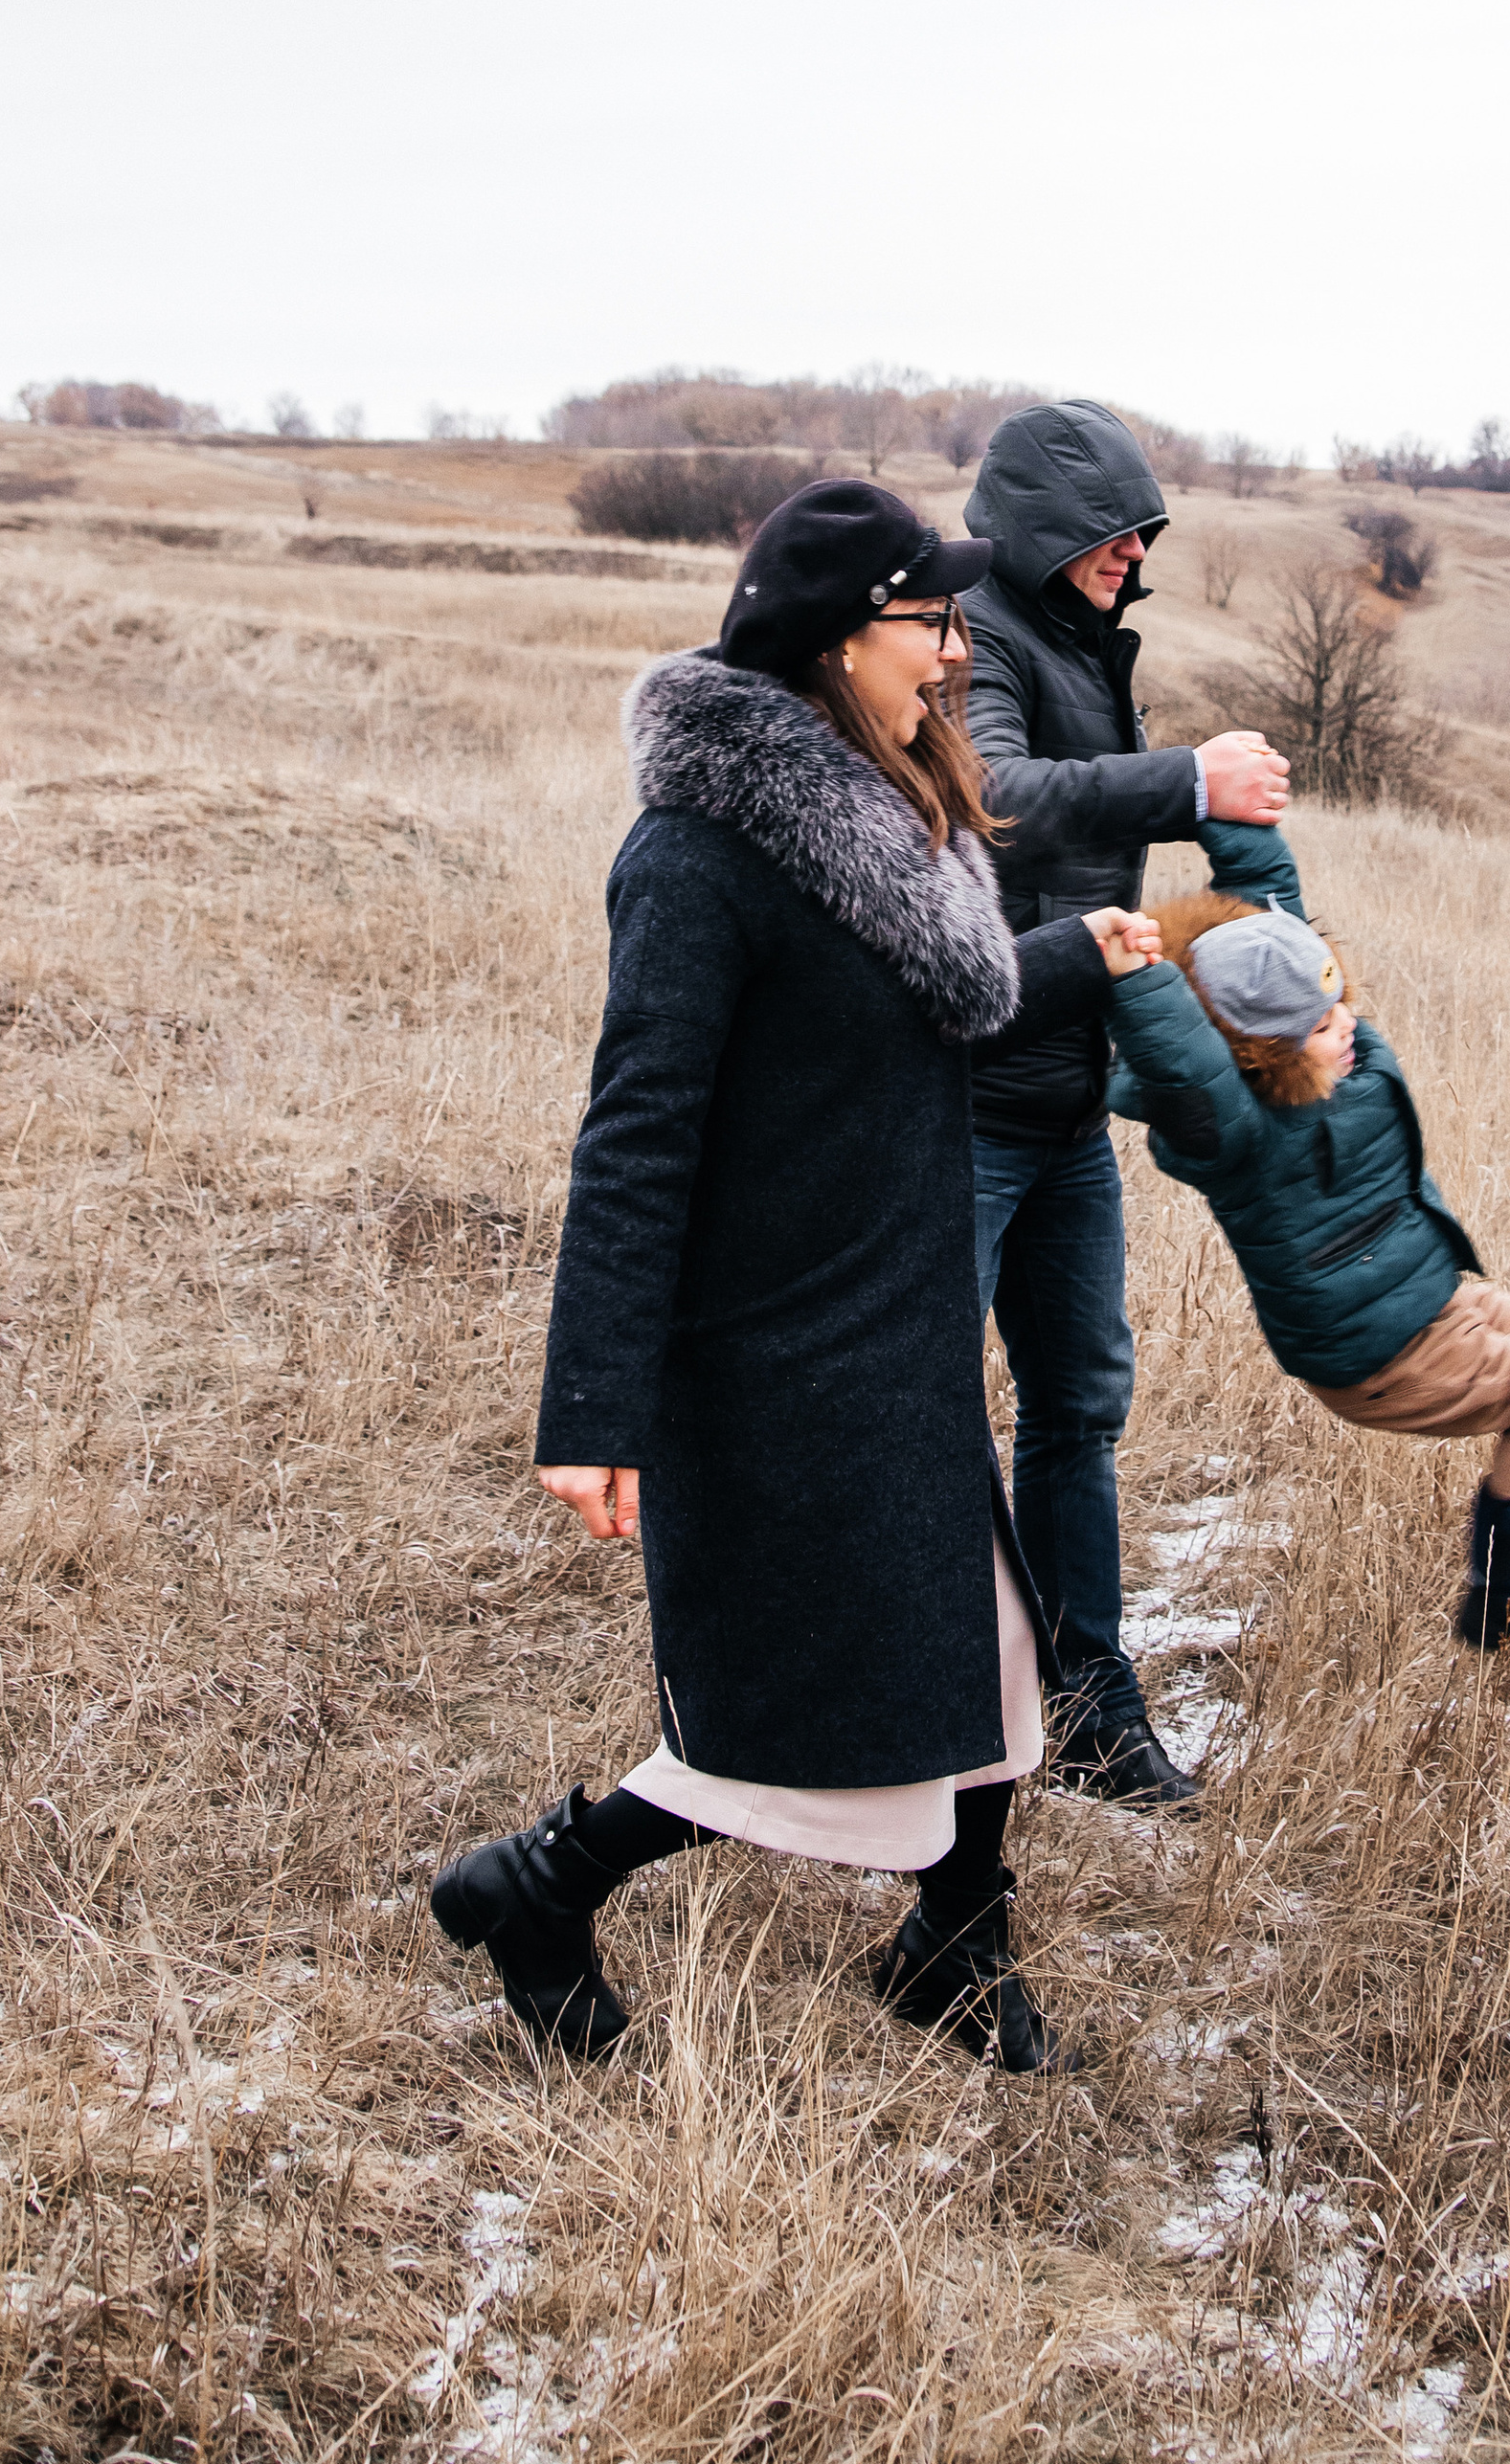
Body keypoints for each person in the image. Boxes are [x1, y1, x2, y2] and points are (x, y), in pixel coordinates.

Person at [432, 481, 1163, 2069]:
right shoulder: (697, 858)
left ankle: (958, 1951)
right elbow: (638, 1140)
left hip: (891, 1320)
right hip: (776, 1351)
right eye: (934, 623)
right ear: (839, 638)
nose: (960, 656)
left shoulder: (882, 816)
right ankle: (538, 1887)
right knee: (799, 1722)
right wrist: (590, 1406)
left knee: (992, 1657)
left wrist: (1069, 953)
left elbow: (913, 1006)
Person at [1103, 815, 1510, 1662]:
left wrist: (1233, 819)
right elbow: (1181, 1058)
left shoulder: (1336, 1042)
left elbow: (1280, 928)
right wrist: (1138, 977)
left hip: (1426, 1297)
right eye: (1319, 1025)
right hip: (1370, 1354)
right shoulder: (1234, 1127)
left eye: (1340, 1002)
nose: (1345, 1024)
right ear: (1258, 1051)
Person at [958, 400, 1290, 1805]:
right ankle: (931, 1712)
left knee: (1080, 1406)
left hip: (1067, 1104)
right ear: (1038, 529)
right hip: (961, 1098)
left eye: (1146, 530)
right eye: (1110, 530)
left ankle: (1093, 1711)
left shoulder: (1091, 643)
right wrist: (1182, 780)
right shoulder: (970, 632)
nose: (1134, 550)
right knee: (919, 1410)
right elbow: (995, 796)